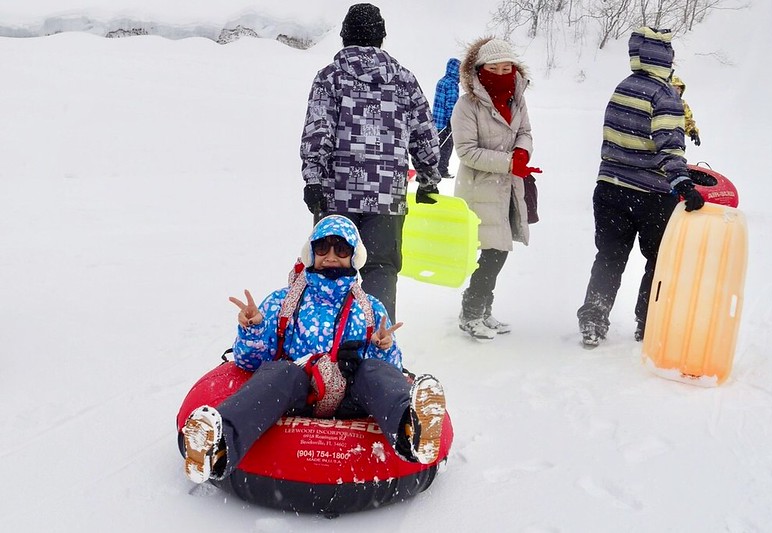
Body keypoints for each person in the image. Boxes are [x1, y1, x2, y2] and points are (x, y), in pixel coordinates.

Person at [181, 215, 447, 484]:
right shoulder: (283, 302)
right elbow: (250, 364)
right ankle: (216, 445)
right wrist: (253, 330)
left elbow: (390, 373)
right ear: (311, 253)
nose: (331, 256)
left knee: (374, 369)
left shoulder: (370, 309)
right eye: (322, 248)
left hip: (352, 397)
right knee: (281, 371)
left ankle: (413, 430)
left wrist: (381, 349)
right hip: (296, 393)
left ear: (354, 256)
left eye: (341, 249)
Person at [300, 3, 441, 323]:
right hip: (386, 194)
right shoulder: (405, 80)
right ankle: (377, 345)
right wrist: (429, 177)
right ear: (382, 37)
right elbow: (424, 132)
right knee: (380, 267)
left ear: (344, 36)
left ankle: (326, 342)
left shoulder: (329, 78)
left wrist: (312, 178)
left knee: (332, 264)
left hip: (337, 193)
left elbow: (317, 130)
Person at [576, 27, 705, 348]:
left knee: (609, 256)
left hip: (609, 189)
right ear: (665, 57)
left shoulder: (623, 87)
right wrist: (683, 183)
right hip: (651, 196)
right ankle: (648, 322)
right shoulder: (665, 95)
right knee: (659, 260)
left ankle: (594, 317)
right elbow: (669, 145)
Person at [451, 37, 540, 341]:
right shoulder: (467, 105)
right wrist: (508, 162)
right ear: (480, 70)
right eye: (495, 68)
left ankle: (483, 310)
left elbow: (526, 132)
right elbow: (466, 152)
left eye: (507, 67)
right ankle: (471, 313)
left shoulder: (517, 98)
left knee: (499, 252)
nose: (503, 73)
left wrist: (522, 154)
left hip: (508, 188)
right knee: (490, 254)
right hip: (479, 190)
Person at [432, 58, 461, 179]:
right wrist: (451, 120)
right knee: (447, 146)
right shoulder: (452, 84)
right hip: (445, 122)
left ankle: (432, 168)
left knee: (437, 146)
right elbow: (451, 104)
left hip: (437, 120)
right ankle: (442, 170)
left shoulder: (442, 81)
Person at [670, 74, 701, 146]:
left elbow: (687, 120)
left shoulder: (682, 104)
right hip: (658, 137)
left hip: (675, 139)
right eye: (674, 88)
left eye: (678, 88)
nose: (676, 91)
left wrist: (692, 131)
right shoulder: (660, 101)